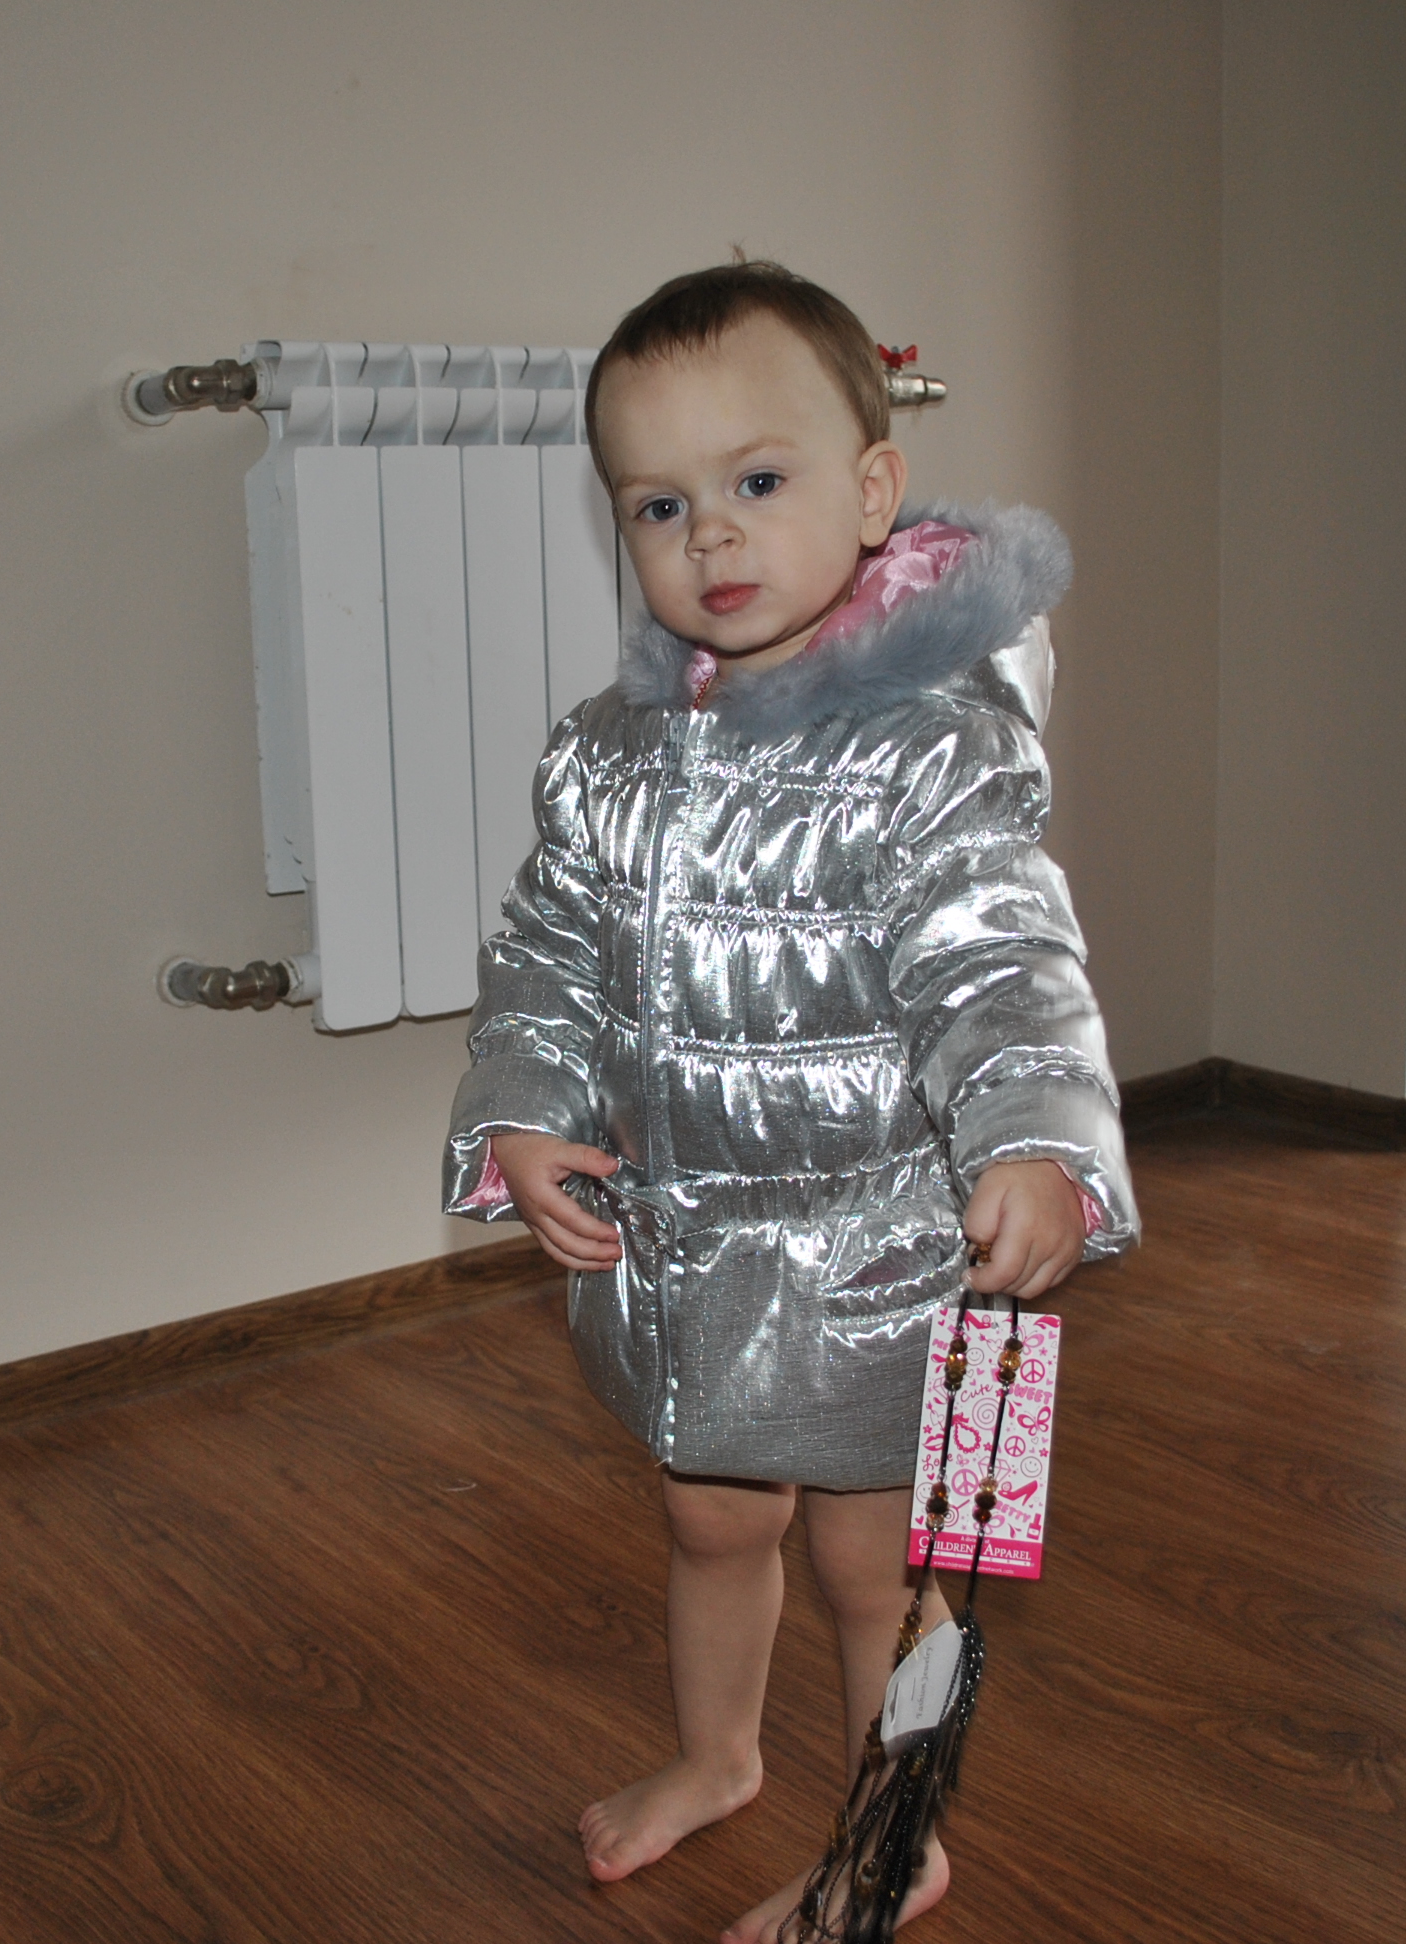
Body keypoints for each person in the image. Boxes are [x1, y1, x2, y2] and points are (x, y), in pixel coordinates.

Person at [442, 260, 1137, 1941]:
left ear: (873, 490)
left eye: (758, 481)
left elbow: (1006, 965)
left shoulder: (932, 754)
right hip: (692, 1255)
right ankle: (718, 1756)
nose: (712, 537)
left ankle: (896, 1846)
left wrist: (1038, 1142)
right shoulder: (609, 755)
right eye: (659, 504)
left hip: (904, 1265)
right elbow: (548, 952)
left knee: (882, 1568)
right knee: (709, 1515)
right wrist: (521, 1109)